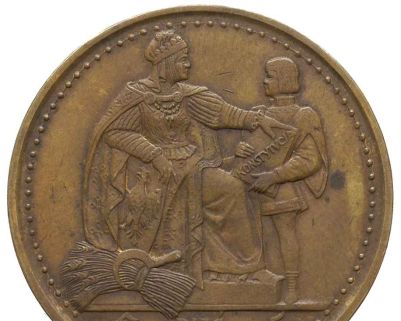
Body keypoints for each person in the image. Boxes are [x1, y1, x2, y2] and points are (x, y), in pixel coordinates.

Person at [83, 31, 291, 288]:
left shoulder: (188, 95)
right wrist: (154, 154)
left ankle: (241, 269)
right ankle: (234, 268)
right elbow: (113, 132)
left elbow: (222, 113)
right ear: (166, 63)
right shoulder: (135, 95)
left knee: (236, 187)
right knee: (231, 188)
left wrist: (257, 120)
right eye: (182, 59)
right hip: (152, 173)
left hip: (192, 165)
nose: (188, 64)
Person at [249, 57, 328, 303]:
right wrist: (242, 151)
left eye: (270, 76)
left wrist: (274, 176)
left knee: (285, 233)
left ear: (284, 80)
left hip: (282, 189)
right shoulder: (258, 113)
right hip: (250, 185)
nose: (264, 81)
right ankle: (253, 282)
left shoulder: (304, 116)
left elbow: (310, 159)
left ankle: (292, 288)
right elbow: (249, 147)